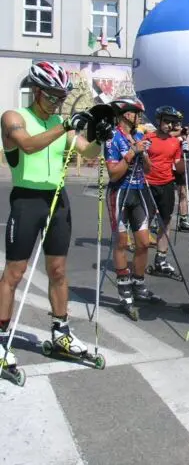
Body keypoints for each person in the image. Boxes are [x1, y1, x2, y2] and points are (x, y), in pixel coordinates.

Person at [1, 62, 110, 377]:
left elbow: (87, 153)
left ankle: (61, 333)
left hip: (57, 199)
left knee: (58, 270)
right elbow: (28, 145)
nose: (57, 102)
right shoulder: (14, 117)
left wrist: (99, 137)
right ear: (36, 91)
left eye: (61, 96)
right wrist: (64, 126)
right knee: (15, 273)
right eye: (51, 96)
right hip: (27, 199)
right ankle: (1, 335)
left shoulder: (61, 122)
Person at [104, 97, 163, 318]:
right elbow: (113, 173)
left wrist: (143, 153)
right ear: (127, 114)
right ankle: (124, 289)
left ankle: (138, 284)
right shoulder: (112, 137)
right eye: (137, 113)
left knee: (144, 243)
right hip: (120, 192)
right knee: (121, 243)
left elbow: (147, 169)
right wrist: (131, 153)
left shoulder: (138, 135)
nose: (140, 117)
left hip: (139, 191)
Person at [144, 106, 186, 279]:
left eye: (172, 122)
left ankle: (161, 259)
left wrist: (185, 153)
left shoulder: (175, 142)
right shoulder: (148, 138)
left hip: (167, 184)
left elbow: (180, 169)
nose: (169, 125)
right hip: (148, 184)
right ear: (159, 121)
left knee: (166, 221)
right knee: (144, 222)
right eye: (166, 121)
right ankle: (139, 261)